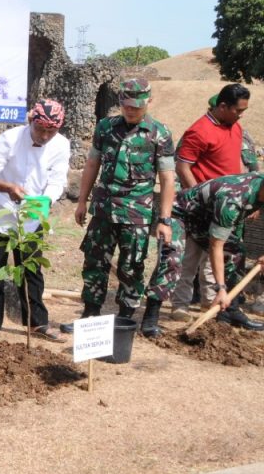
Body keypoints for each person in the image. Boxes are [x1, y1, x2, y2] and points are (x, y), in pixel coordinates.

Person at [65, 79, 176, 334]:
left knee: (132, 267)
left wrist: (165, 219)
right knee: (94, 263)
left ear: (149, 101)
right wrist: (82, 201)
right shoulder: (105, 127)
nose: (131, 110)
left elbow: (168, 178)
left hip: (136, 214)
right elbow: (92, 163)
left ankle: (123, 322)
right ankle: (90, 317)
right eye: (126, 105)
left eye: (136, 106)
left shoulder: (159, 133)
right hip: (104, 210)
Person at [169, 84, 262, 330]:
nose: (241, 115)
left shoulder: (235, 127)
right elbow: (183, 167)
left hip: (230, 202)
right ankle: (179, 305)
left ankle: (212, 307)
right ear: (222, 107)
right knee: (190, 258)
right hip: (202, 205)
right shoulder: (199, 131)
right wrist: (199, 199)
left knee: (217, 259)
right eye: (238, 110)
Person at [0, 99, 70, 343]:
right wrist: (8, 187)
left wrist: (45, 201)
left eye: (52, 131)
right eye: (41, 129)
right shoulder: (9, 139)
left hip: (31, 216)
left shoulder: (61, 145)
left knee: (31, 269)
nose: (46, 135)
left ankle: (38, 323)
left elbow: (58, 180)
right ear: (31, 121)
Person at [147, 173, 264, 334]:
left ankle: (229, 312)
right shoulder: (232, 199)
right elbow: (216, 247)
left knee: (237, 253)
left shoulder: (258, 186)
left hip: (207, 217)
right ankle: (150, 319)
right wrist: (221, 288)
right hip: (181, 213)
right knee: (172, 259)